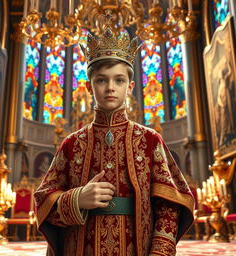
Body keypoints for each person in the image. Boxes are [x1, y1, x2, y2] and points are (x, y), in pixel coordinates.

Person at [34, 26, 194, 256]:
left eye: (119, 80)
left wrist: (159, 252)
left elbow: (169, 206)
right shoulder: (71, 144)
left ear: (129, 87)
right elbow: (44, 202)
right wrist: (77, 199)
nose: (110, 88)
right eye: (101, 80)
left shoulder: (150, 140)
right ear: (89, 86)